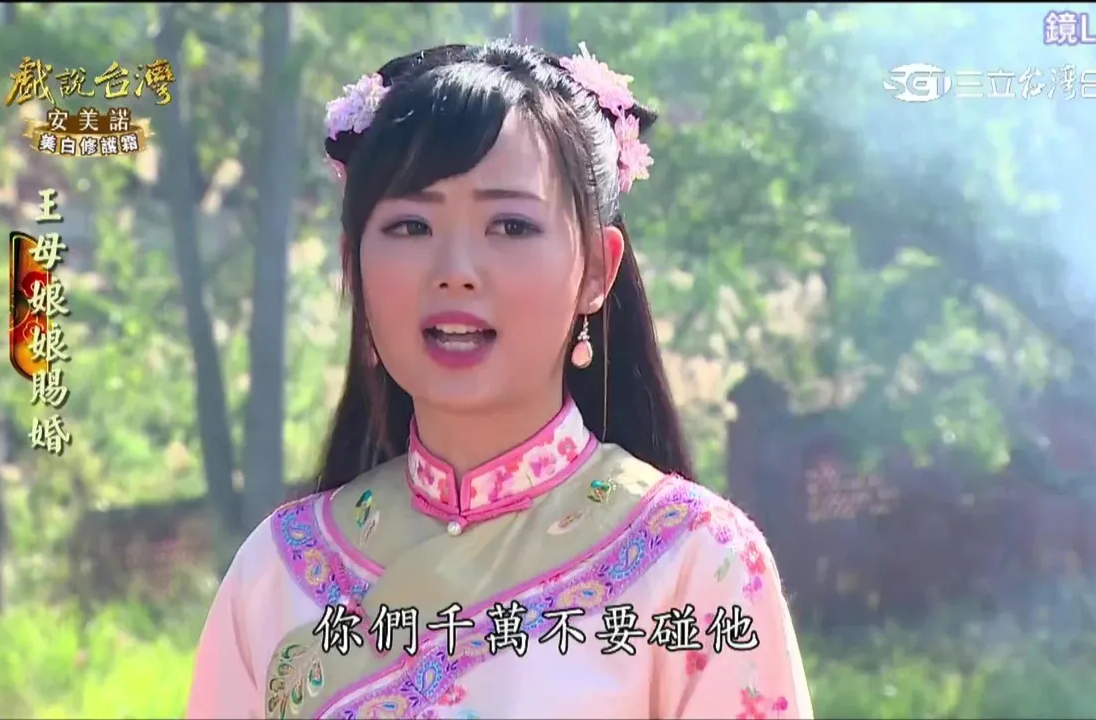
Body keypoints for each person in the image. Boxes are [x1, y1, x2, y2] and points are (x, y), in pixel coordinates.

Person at [186, 39, 812, 720]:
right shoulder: (279, 571)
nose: (455, 270)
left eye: (510, 225)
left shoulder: (696, 565)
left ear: (596, 270)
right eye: (411, 226)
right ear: (354, 265)